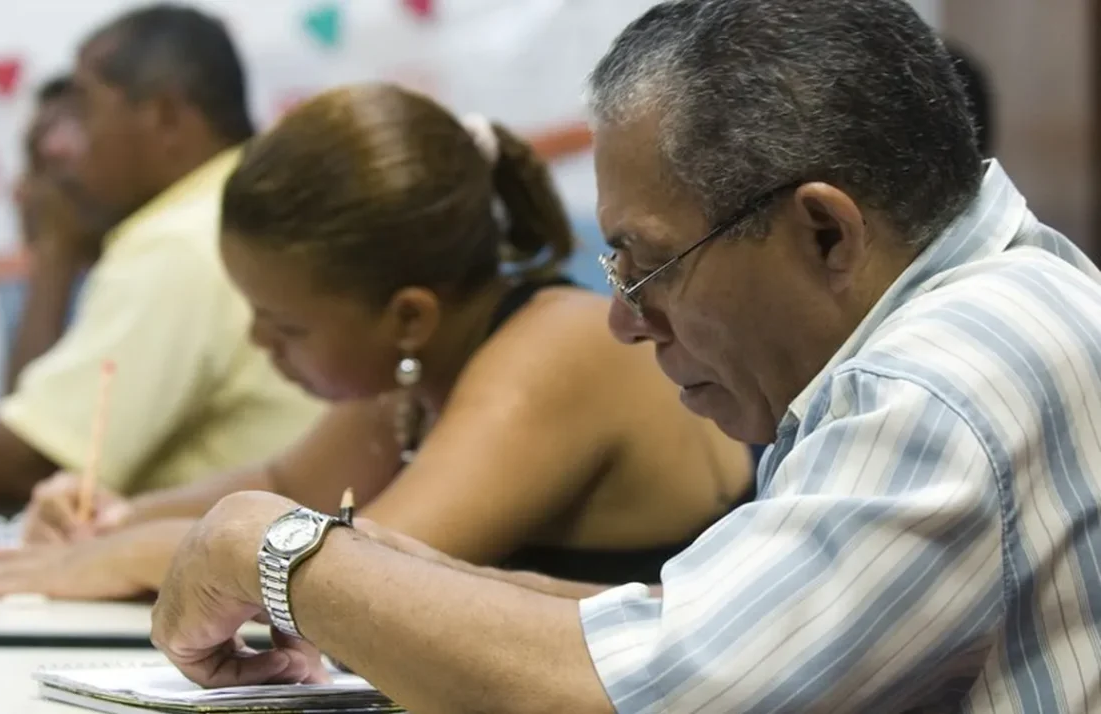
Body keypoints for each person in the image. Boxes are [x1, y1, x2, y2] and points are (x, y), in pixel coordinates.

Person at [140, 1, 1101, 713]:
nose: (626, 322)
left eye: (650, 267)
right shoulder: (1002, 303)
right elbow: (691, 626)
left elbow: (631, 697)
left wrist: (268, 548)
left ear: (823, 233)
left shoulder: (940, 380)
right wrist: (396, 574)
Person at [0, 83, 753, 597]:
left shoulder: (558, 350)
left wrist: (135, 556)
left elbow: (363, 579)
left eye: (287, 326)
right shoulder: (415, 370)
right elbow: (283, 480)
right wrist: (109, 521)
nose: (259, 342)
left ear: (407, 315)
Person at [0, 4, 324, 512]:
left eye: (86, 109)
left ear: (167, 117)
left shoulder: (182, 238)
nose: (71, 146)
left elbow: (38, 459)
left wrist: (53, 254)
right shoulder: (244, 201)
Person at [7, 75, 108, 390]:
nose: (26, 190)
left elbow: (29, 423)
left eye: (50, 168)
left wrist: (55, 249)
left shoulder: (150, 270)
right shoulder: (13, 300)